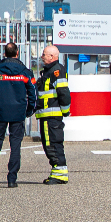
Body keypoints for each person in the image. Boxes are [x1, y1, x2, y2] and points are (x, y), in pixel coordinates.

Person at [0, 43, 35, 188]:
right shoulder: (25, 72)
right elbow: (33, 93)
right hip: (18, 113)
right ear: (17, 53)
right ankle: (12, 179)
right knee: (15, 145)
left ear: (4, 53)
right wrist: (29, 110)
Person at [34, 44, 71, 184]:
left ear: (52, 56)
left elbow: (64, 93)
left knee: (53, 144)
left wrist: (65, 110)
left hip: (51, 116)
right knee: (49, 143)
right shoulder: (50, 71)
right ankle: (58, 172)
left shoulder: (56, 71)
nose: (42, 57)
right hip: (47, 115)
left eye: (44, 54)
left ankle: (60, 174)